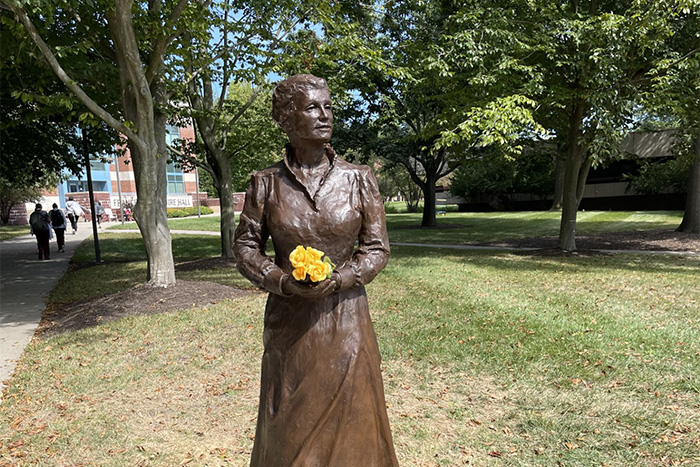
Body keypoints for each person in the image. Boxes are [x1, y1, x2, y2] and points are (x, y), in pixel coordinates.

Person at [234, 74, 398, 467]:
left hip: (347, 322)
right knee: (288, 427)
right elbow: (244, 247)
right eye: (312, 107)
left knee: (354, 424)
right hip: (290, 324)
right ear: (288, 120)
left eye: (327, 106)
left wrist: (341, 278)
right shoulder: (265, 184)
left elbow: (376, 248)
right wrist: (281, 281)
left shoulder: (358, 178)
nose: (325, 115)